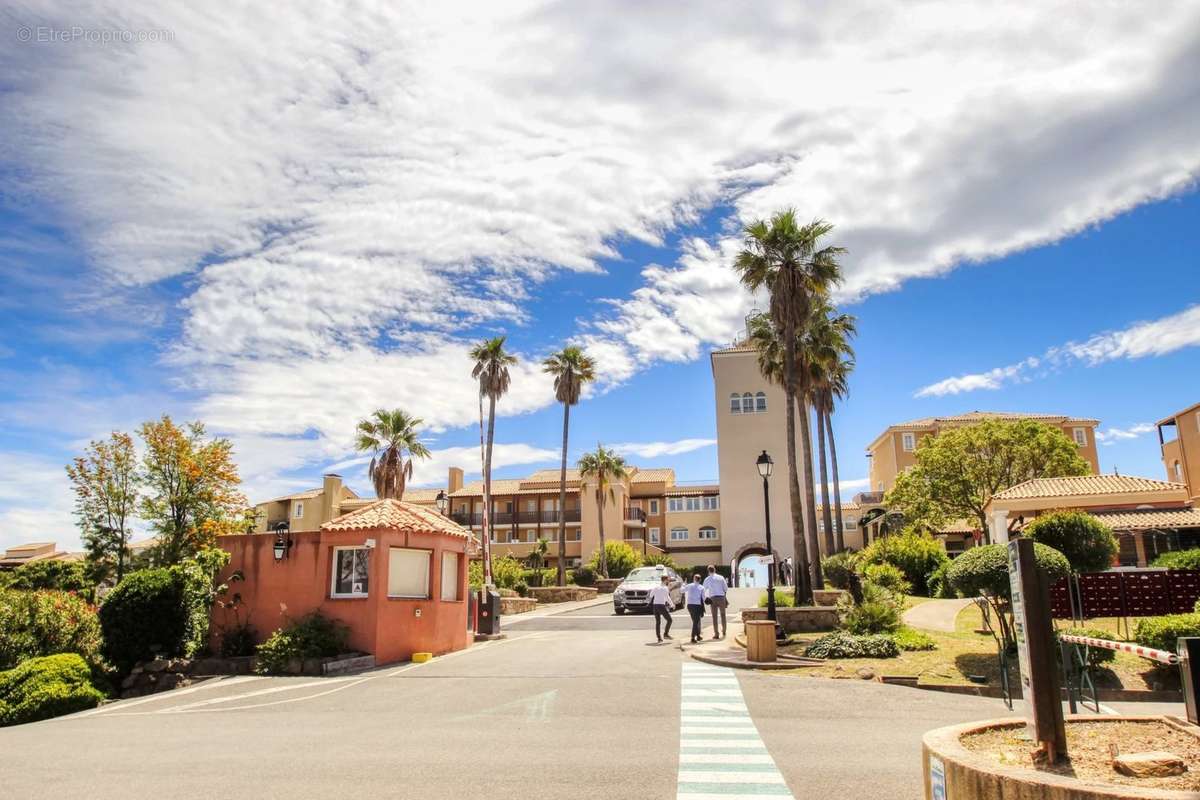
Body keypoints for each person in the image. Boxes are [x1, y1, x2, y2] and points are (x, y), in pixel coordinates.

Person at [702, 565, 729, 640]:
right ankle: (724, 631)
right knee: (723, 615)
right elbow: (726, 588)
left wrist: (706, 597)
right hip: (721, 597)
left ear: (708, 571)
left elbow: (703, 589)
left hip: (713, 598)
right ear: (715, 570)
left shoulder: (707, 579)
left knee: (714, 617)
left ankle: (716, 634)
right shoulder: (721, 577)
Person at [647, 574, 674, 643]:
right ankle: (666, 634)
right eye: (667, 580)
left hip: (655, 605)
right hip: (661, 605)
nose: (668, 581)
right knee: (669, 620)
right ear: (665, 580)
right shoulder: (665, 588)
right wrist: (672, 605)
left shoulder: (656, 587)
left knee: (658, 622)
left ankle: (659, 638)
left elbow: (650, 595)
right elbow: (667, 598)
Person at [684, 573, 706, 643]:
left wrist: (684, 584)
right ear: (700, 580)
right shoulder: (702, 587)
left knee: (695, 621)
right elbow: (704, 598)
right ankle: (693, 638)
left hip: (690, 605)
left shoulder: (689, 585)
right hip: (697, 606)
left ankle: (698, 636)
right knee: (696, 622)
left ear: (694, 579)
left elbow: (681, 590)